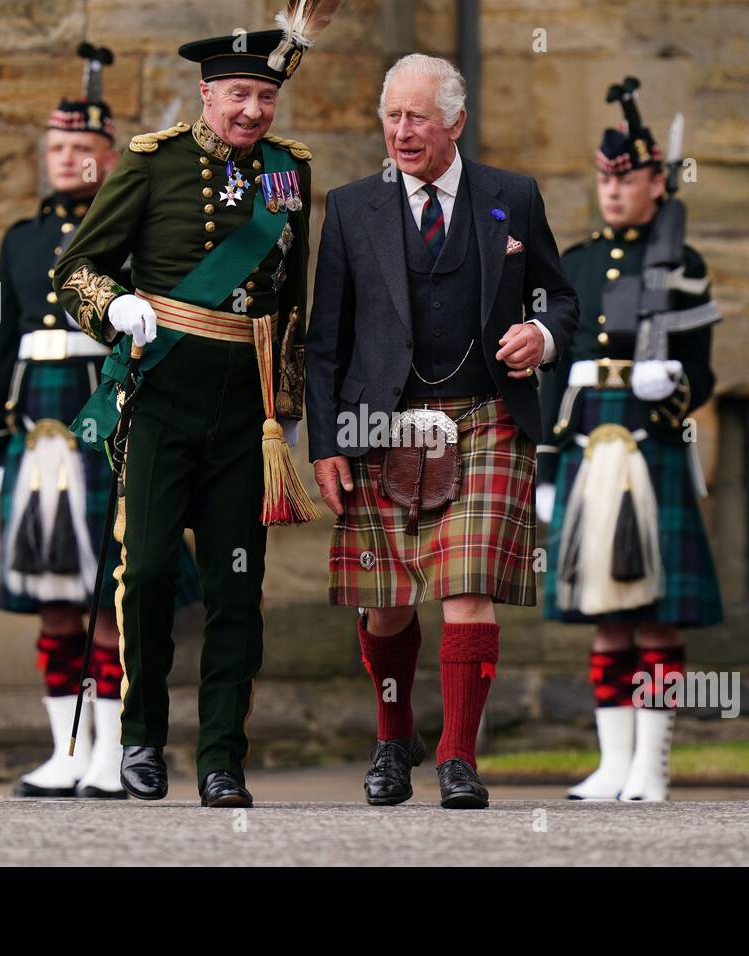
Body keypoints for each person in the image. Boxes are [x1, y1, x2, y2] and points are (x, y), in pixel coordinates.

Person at [53, 21, 327, 808]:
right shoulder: (154, 163)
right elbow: (77, 267)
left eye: (265, 96)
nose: (251, 111)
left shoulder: (287, 174)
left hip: (248, 414)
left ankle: (220, 760)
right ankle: (140, 741)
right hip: (163, 399)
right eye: (238, 94)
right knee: (141, 574)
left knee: (237, 590)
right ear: (205, 94)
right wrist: (117, 307)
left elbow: (293, 302)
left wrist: (290, 408)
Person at [306, 54, 578, 809]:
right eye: (391, 116)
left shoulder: (510, 197)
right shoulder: (352, 206)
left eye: (417, 116)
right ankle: (395, 738)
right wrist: (325, 445)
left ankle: (460, 756)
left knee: (467, 588)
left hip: (485, 415)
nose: (402, 131)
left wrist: (542, 336)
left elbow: (561, 297)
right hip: (379, 422)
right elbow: (326, 342)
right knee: (388, 598)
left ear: (456, 121)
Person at [0, 44, 198, 799]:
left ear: (108, 156)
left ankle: (108, 752)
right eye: (58, 147)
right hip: (38, 432)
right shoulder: (20, 238)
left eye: (83, 148)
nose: (68, 160)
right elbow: (1, 345)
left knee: (109, 593)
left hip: (106, 423)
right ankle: (65, 753)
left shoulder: (132, 231)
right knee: (54, 595)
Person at [536, 77, 722, 802]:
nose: (613, 192)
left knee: (655, 613)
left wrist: (671, 387)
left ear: (658, 184)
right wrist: (549, 465)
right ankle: (613, 763)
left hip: (652, 443)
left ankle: (652, 764)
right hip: (587, 441)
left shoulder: (684, 263)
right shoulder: (576, 263)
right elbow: (552, 372)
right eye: (605, 178)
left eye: (629, 178)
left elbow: (703, 374)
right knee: (603, 611)